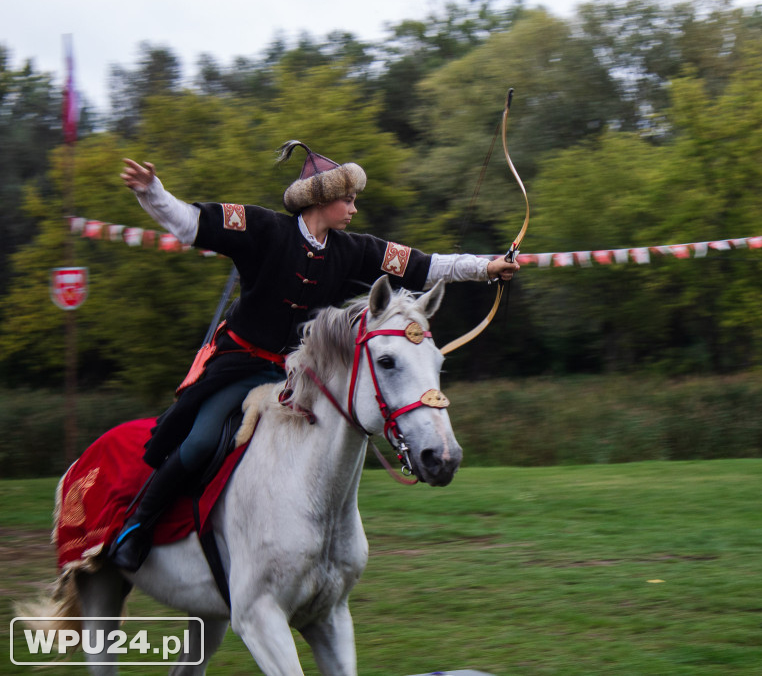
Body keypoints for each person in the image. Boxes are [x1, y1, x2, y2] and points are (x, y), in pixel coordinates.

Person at [110, 141, 519, 571]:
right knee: (199, 442)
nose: (354, 210)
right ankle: (137, 526)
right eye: (348, 200)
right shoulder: (263, 228)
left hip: (301, 374)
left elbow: (421, 265)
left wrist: (486, 268)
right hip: (241, 364)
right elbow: (193, 223)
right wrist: (151, 191)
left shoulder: (353, 249)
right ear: (321, 200)